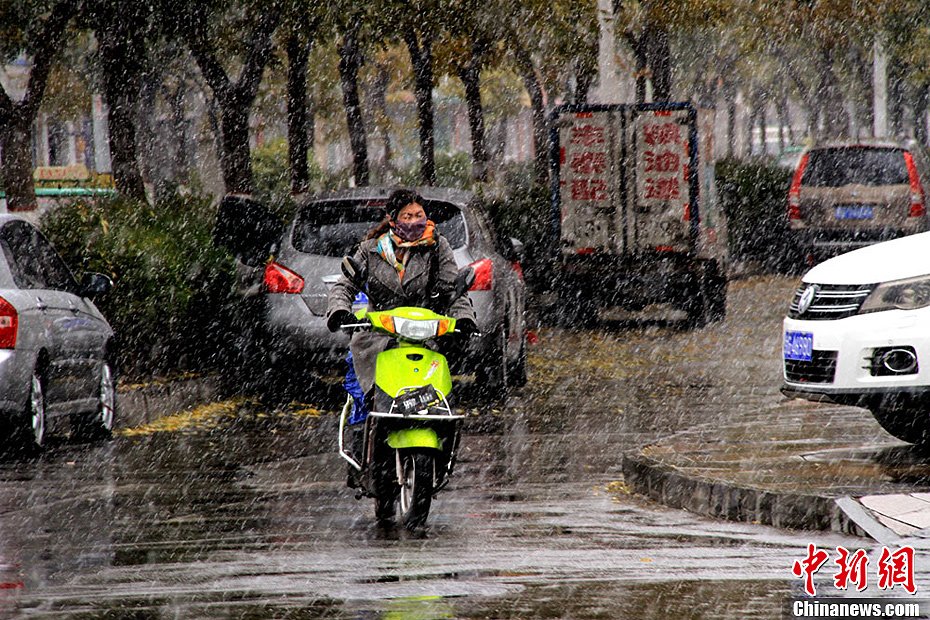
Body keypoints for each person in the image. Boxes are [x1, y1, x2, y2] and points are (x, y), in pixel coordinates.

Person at [326, 189, 477, 482]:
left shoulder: (438, 247)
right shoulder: (370, 250)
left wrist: (464, 319)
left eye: (419, 215)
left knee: (439, 400)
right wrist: (340, 311)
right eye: (407, 216)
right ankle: (363, 460)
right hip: (376, 338)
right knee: (367, 399)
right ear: (392, 219)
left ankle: (439, 456)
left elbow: (453, 291)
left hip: (425, 338)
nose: (414, 221)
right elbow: (344, 285)